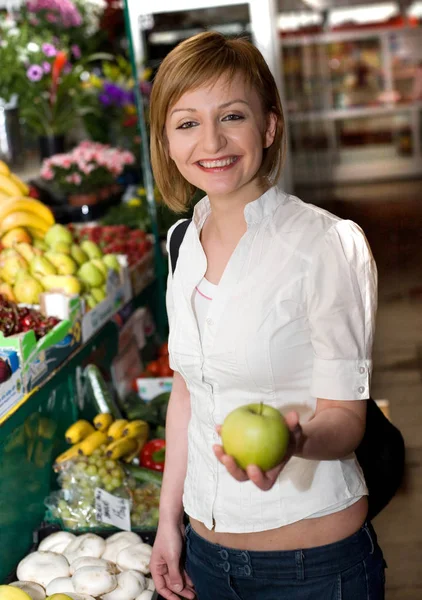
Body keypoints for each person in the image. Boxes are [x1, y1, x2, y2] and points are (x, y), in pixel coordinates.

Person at [148, 31, 385, 600]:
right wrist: (167, 525)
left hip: (315, 569)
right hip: (207, 559)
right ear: (166, 141)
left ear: (269, 126)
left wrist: (293, 440)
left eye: (231, 116)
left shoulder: (328, 244)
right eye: (186, 123)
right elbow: (187, 394)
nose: (212, 141)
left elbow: (347, 419)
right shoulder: (181, 243)